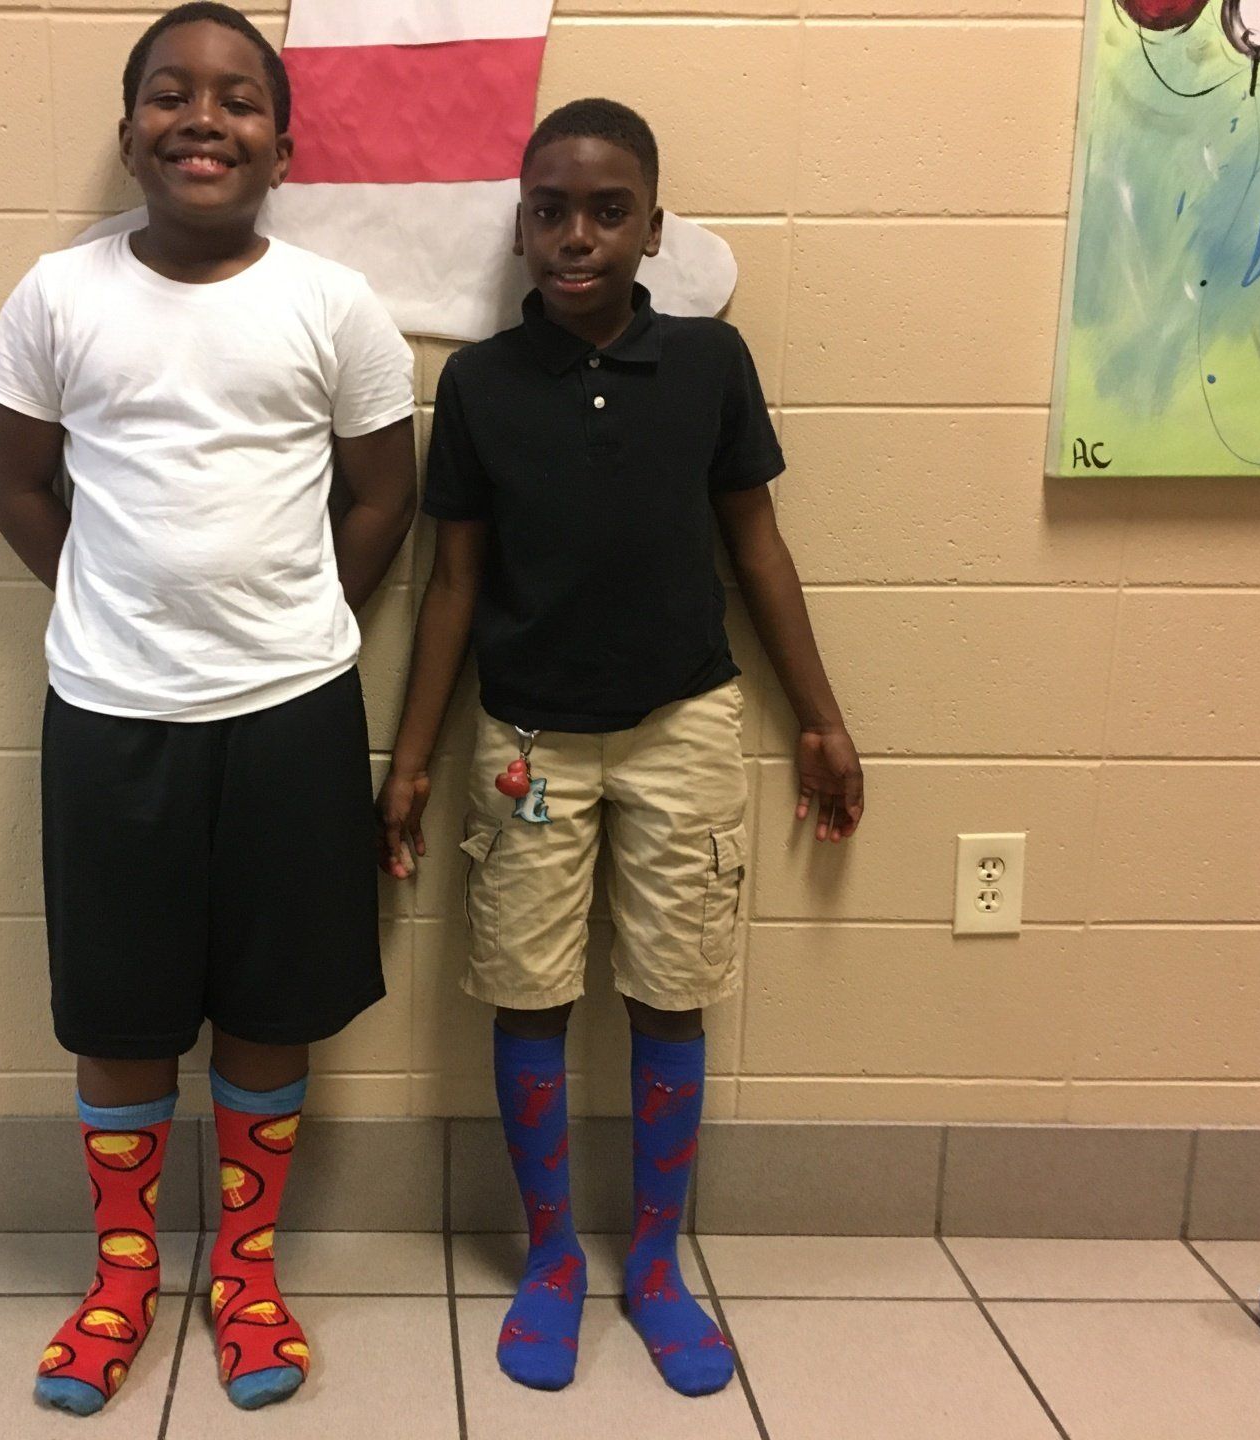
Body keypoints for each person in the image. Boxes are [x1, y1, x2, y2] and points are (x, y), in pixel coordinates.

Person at [377, 98, 865, 1397]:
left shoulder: (712, 363)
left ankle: (654, 1265)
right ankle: (551, 1258)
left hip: (684, 729)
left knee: (670, 984)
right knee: (528, 989)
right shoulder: (479, 385)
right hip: (529, 741)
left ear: (655, 223)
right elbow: (453, 586)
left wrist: (820, 714)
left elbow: (755, 547)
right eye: (550, 210)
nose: (577, 235)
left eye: (608, 210)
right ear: (521, 224)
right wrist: (413, 757)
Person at [0, 2, 417, 1415]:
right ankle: (121, 1278)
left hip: (290, 707)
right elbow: (15, 484)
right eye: (171, 94)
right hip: (109, 710)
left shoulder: (332, 304)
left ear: (284, 145)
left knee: (270, 1004)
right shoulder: (57, 296)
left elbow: (384, 491)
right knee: (120, 1005)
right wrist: (111, 594)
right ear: (128, 135)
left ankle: (243, 1274)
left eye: (236, 99)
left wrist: (305, 617)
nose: (202, 119)